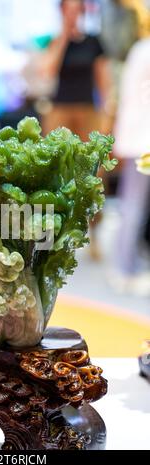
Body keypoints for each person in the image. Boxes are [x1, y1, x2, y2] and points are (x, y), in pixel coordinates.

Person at [41, 0, 113, 141]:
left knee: (87, 155)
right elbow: (48, 71)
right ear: (62, 11)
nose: (72, 15)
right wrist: (64, 36)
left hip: (87, 108)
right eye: (68, 10)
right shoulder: (54, 42)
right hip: (60, 109)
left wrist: (107, 107)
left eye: (75, 10)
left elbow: (103, 78)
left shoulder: (92, 42)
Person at [113, 37, 150, 296]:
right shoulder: (144, 51)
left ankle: (129, 266)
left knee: (136, 206)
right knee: (133, 206)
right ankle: (124, 269)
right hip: (142, 142)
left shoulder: (140, 49)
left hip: (139, 139)